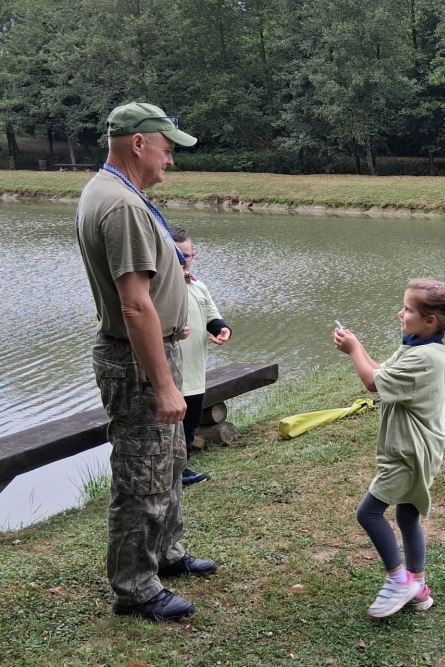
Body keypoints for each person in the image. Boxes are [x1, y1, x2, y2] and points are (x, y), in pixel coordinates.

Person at [75, 102, 215, 622]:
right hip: (137, 362)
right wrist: (164, 384)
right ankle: (135, 588)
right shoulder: (122, 206)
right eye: (167, 148)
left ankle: (164, 554)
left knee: (168, 461)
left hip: (153, 350)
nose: (171, 159)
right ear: (139, 142)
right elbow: (134, 305)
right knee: (142, 474)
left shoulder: (112, 191)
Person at [333, 276, 445, 618]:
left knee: (368, 513)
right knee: (407, 514)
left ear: (430, 320)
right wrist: (358, 348)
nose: (400, 313)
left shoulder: (425, 358)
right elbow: (381, 371)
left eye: (408, 309)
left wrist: (353, 350)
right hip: (418, 447)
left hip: (410, 452)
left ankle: (399, 580)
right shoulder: (417, 345)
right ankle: (418, 588)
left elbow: (371, 382)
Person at [170, 228, 232, 486]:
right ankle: (169, 474)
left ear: (193, 256)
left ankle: (181, 470)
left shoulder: (198, 287)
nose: (182, 261)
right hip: (169, 375)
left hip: (195, 372)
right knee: (169, 427)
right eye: (176, 255)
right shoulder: (159, 288)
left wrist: (222, 330)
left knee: (191, 422)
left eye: (186, 255)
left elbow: (212, 318)